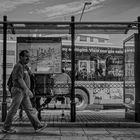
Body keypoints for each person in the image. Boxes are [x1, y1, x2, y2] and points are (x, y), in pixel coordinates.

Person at [2, 50, 47, 133]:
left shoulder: (24, 66)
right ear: (21, 57)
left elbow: (27, 76)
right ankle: (6, 127)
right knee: (13, 109)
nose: (28, 58)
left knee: (29, 109)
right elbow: (19, 79)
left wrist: (29, 70)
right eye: (26, 56)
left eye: (28, 56)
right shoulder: (18, 66)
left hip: (23, 91)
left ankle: (37, 126)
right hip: (18, 91)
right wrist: (27, 90)